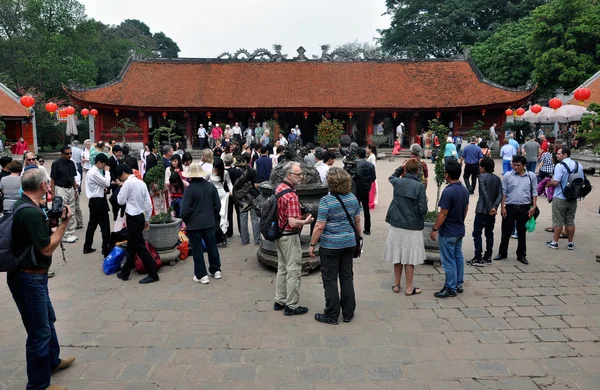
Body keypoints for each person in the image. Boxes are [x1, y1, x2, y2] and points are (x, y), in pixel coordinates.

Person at [8, 168, 77, 390]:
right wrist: (64, 225)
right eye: (47, 183)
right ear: (43, 186)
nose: (49, 186)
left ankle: (52, 362)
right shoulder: (31, 213)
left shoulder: (24, 204)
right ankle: (38, 385)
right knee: (39, 332)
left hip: (33, 277)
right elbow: (46, 248)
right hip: (28, 279)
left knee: (48, 321)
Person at [309, 167, 360, 324]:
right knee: (347, 277)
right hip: (349, 243)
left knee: (330, 279)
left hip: (331, 245)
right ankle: (348, 313)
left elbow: (319, 226)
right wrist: (358, 238)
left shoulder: (326, 201)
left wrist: (312, 244)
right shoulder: (353, 198)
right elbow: (357, 221)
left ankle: (331, 314)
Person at [273, 162, 314, 316]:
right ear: (289, 175)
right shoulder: (291, 196)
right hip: (289, 236)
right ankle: (292, 305)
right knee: (294, 270)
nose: (301, 177)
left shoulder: (279, 188)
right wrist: (306, 221)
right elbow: (292, 222)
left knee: (282, 267)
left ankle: (280, 300)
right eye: (298, 174)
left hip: (278, 234)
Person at [384, 159, 427, 295]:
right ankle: (409, 288)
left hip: (396, 225)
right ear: (418, 171)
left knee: (397, 255)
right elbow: (423, 210)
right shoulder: (419, 186)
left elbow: (391, 177)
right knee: (410, 259)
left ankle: (396, 285)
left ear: (405, 170)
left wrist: (400, 168)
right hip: (412, 226)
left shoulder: (398, 182)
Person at [429, 161, 470, 298]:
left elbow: (443, 213)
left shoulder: (448, 191)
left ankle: (450, 287)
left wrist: (435, 228)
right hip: (459, 229)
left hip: (448, 231)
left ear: (447, 174)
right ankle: (458, 283)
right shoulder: (464, 189)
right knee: (458, 256)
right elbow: (465, 209)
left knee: (448, 260)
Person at [115, 164, 159, 284]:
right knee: (132, 245)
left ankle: (153, 273)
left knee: (139, 247)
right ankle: (125, 272)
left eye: (120, 176)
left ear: (123, 173)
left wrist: (121, 187)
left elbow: (120, 200)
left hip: (133, 217)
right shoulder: (141, 182)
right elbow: (148, 203)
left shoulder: (127, 184)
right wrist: (147, 219)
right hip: (140, 216)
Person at [181, 163, 222, 284]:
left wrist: (186, 220)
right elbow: (217, 205)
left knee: (197, 249)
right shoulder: (210, 186)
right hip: (209, 222)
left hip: (194, 224)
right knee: (212, 247)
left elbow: (185, 210)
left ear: (190, 176)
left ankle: (201, 274)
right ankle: (216, 270)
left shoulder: (190, 189)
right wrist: (213, 217)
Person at [494, 155, 538, 265]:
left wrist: (534, 206)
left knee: (522, 232)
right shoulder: (508, 176)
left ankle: (521, 254)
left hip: (524, 207)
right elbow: (504, 192)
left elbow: (534, 192)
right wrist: (502, 206)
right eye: (514, 165)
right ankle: (502, 252)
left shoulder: (531, 176)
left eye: (518, 165)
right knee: (506, 231)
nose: (516, 167)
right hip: (510, 207)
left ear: (524, 165)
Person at [545, 147, 583, 251]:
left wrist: (549, 184)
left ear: (565, 155)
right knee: (570, 220)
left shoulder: (559, 166)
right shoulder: (578, 165)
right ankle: (570, 243)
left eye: (558, 154)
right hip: (573, 197)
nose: (556, 155)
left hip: (560, 197)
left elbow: (556, 182)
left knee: (558, 221)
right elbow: (582, 180)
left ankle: (555, 242)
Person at [467, 157, 502, 267]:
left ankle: (478, 256)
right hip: (492, 212)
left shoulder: (481, 177)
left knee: (477, 233)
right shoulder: (497, 179)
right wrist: (494, 207)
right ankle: (488, 256)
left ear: (483, 167)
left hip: (482, 210)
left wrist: (489, 208)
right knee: (489, 233)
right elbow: (500, 194)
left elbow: (484, 193)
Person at [83, 153, 111, 256]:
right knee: (105, 226)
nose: (104, 167)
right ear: (99, 162)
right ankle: (106, 248)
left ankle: (87, 246)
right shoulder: (94, 172)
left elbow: (99, 185)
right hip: (98, 201)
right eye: (103, 165)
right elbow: (106, 183)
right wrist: (107, 172)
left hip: (95, 201)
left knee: (92, 225)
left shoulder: (93, 172)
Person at [50, 146, 78, 243]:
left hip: (70, 188)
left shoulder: (71, 163)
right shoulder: (56, 163)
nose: (69, 155)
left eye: (70, 153)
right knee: (63, 211)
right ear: (62, 154)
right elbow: (52, 179)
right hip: (60, 188)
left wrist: (76, 190)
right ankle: (64, 234)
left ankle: (71, 232)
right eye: (67, 153)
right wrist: (53, 193)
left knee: (72, 211)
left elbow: (73, 177)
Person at [235, 153, 261, 245]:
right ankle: (257, 239)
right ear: (250, 160)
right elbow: (256, 185)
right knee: (254, 218)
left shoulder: (238, 172)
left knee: (243, 218)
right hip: (252, 196)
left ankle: (244, 240)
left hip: (241, 197)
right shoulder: (252, 171)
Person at [209, 157, 233, 244]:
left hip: (222, 195)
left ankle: (222, 235)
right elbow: (205, 181)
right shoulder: (210, 172)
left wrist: (231, 191)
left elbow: (229, 183)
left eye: (217, 168)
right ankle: (219, 236)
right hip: (212, 195)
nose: (215, 170)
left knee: (221, 215)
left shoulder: (225, 173)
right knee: (214, 216)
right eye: (215, 167)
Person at [355, 148, 376, 235]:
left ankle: (354, 228)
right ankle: (367, 229)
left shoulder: (355, 164)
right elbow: (374, 178)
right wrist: (367, 183)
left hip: (356, 189)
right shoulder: (371, 165)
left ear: (358, 155)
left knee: (354, 210)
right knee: (366, 209)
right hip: (366, 188)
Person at [223, 154, 241, 238]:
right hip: (236, 193)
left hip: (227, 194)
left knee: (228, 213)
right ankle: (241, 230)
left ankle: (229, 232)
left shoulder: (223, 171)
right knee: (239, 212)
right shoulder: (236, 171)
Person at [366, 144, 378, 209]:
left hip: (371, 175)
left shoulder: (372, 156)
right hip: (369, 175)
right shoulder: (370, 156)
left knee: (372, 190)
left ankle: (371, 203)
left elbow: (373, 166)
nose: (366, 149)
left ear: (370, 149)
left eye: (367, 148)